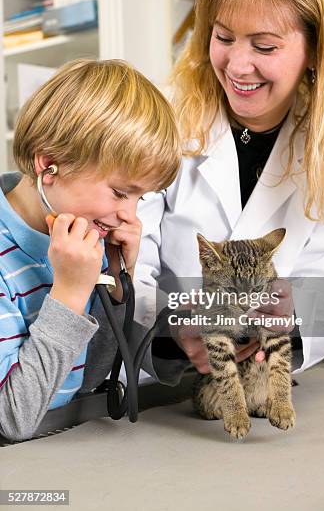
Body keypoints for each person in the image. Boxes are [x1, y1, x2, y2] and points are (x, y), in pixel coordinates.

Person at [135, 0, 324, 375]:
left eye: (264, 47)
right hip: (161, 388)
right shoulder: (163, 121)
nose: (238, 66)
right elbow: (128, 259)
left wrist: (291, 322)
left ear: (316, 50)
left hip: (268, 379)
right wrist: (174, 329)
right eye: (223, 37)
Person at [0, 58, 189, 442]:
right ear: (49, 164)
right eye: (120, 193)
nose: (129, 215)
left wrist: (117, 284)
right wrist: (69, 295)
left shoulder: (84, 237)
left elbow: (89, 376)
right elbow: (12, 418)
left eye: (141, 197)